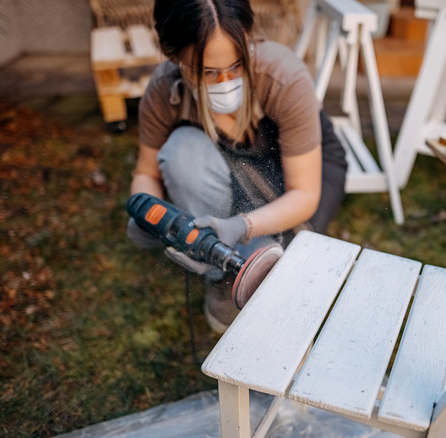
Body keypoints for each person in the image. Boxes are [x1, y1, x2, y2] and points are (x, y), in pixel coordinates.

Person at [127, 0, 347, 333]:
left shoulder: (283, 77)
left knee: (280, 270)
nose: (226, 81)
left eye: (237, 64)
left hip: (298, 171)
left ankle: (264, 247)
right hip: (224, 163)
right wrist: (146, 213)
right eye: (208, 72)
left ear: (248, 38)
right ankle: (222, 271)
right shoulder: (164, 92)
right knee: (181, 153)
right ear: (176, 59)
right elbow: (147, 172)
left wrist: (243, 226)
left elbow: (303, 193)